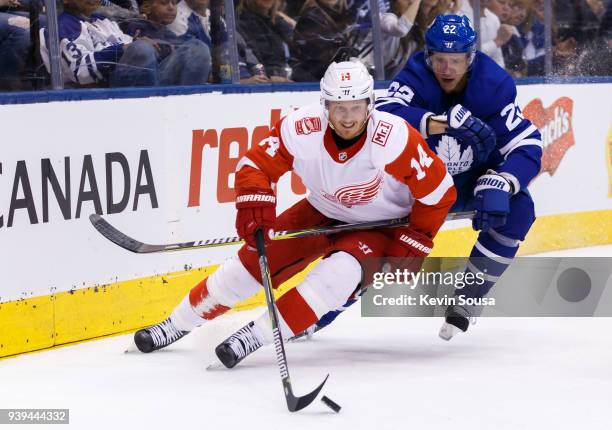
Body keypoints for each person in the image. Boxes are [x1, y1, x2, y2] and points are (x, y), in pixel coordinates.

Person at [132, 60, 457, 368]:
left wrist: (415, 240)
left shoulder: (394, 138)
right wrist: (255, 202)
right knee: (246, 267)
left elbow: (440, 192)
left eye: (356, 107)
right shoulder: (301, 127)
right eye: (339, 107)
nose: (347, 117)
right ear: (325, 104)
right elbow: (256, 165)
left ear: (370, 104)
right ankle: (176, 324)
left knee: (335, 278)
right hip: (321, 209)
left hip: (379, 225)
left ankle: (253, 337)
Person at [284, 14, 542, 341]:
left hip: (470, 181)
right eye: (439, 59)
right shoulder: (417, 74)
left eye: (455, 61)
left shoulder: (493, 86)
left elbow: (527, 143)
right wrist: (437, 121)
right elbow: (385, 113)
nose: (446, 69)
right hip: (418, 186)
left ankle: (468, 299)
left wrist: (504, 180)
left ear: (471, 58)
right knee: (376, 247)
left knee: (519, 207)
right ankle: (322, 310)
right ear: (428, 55)